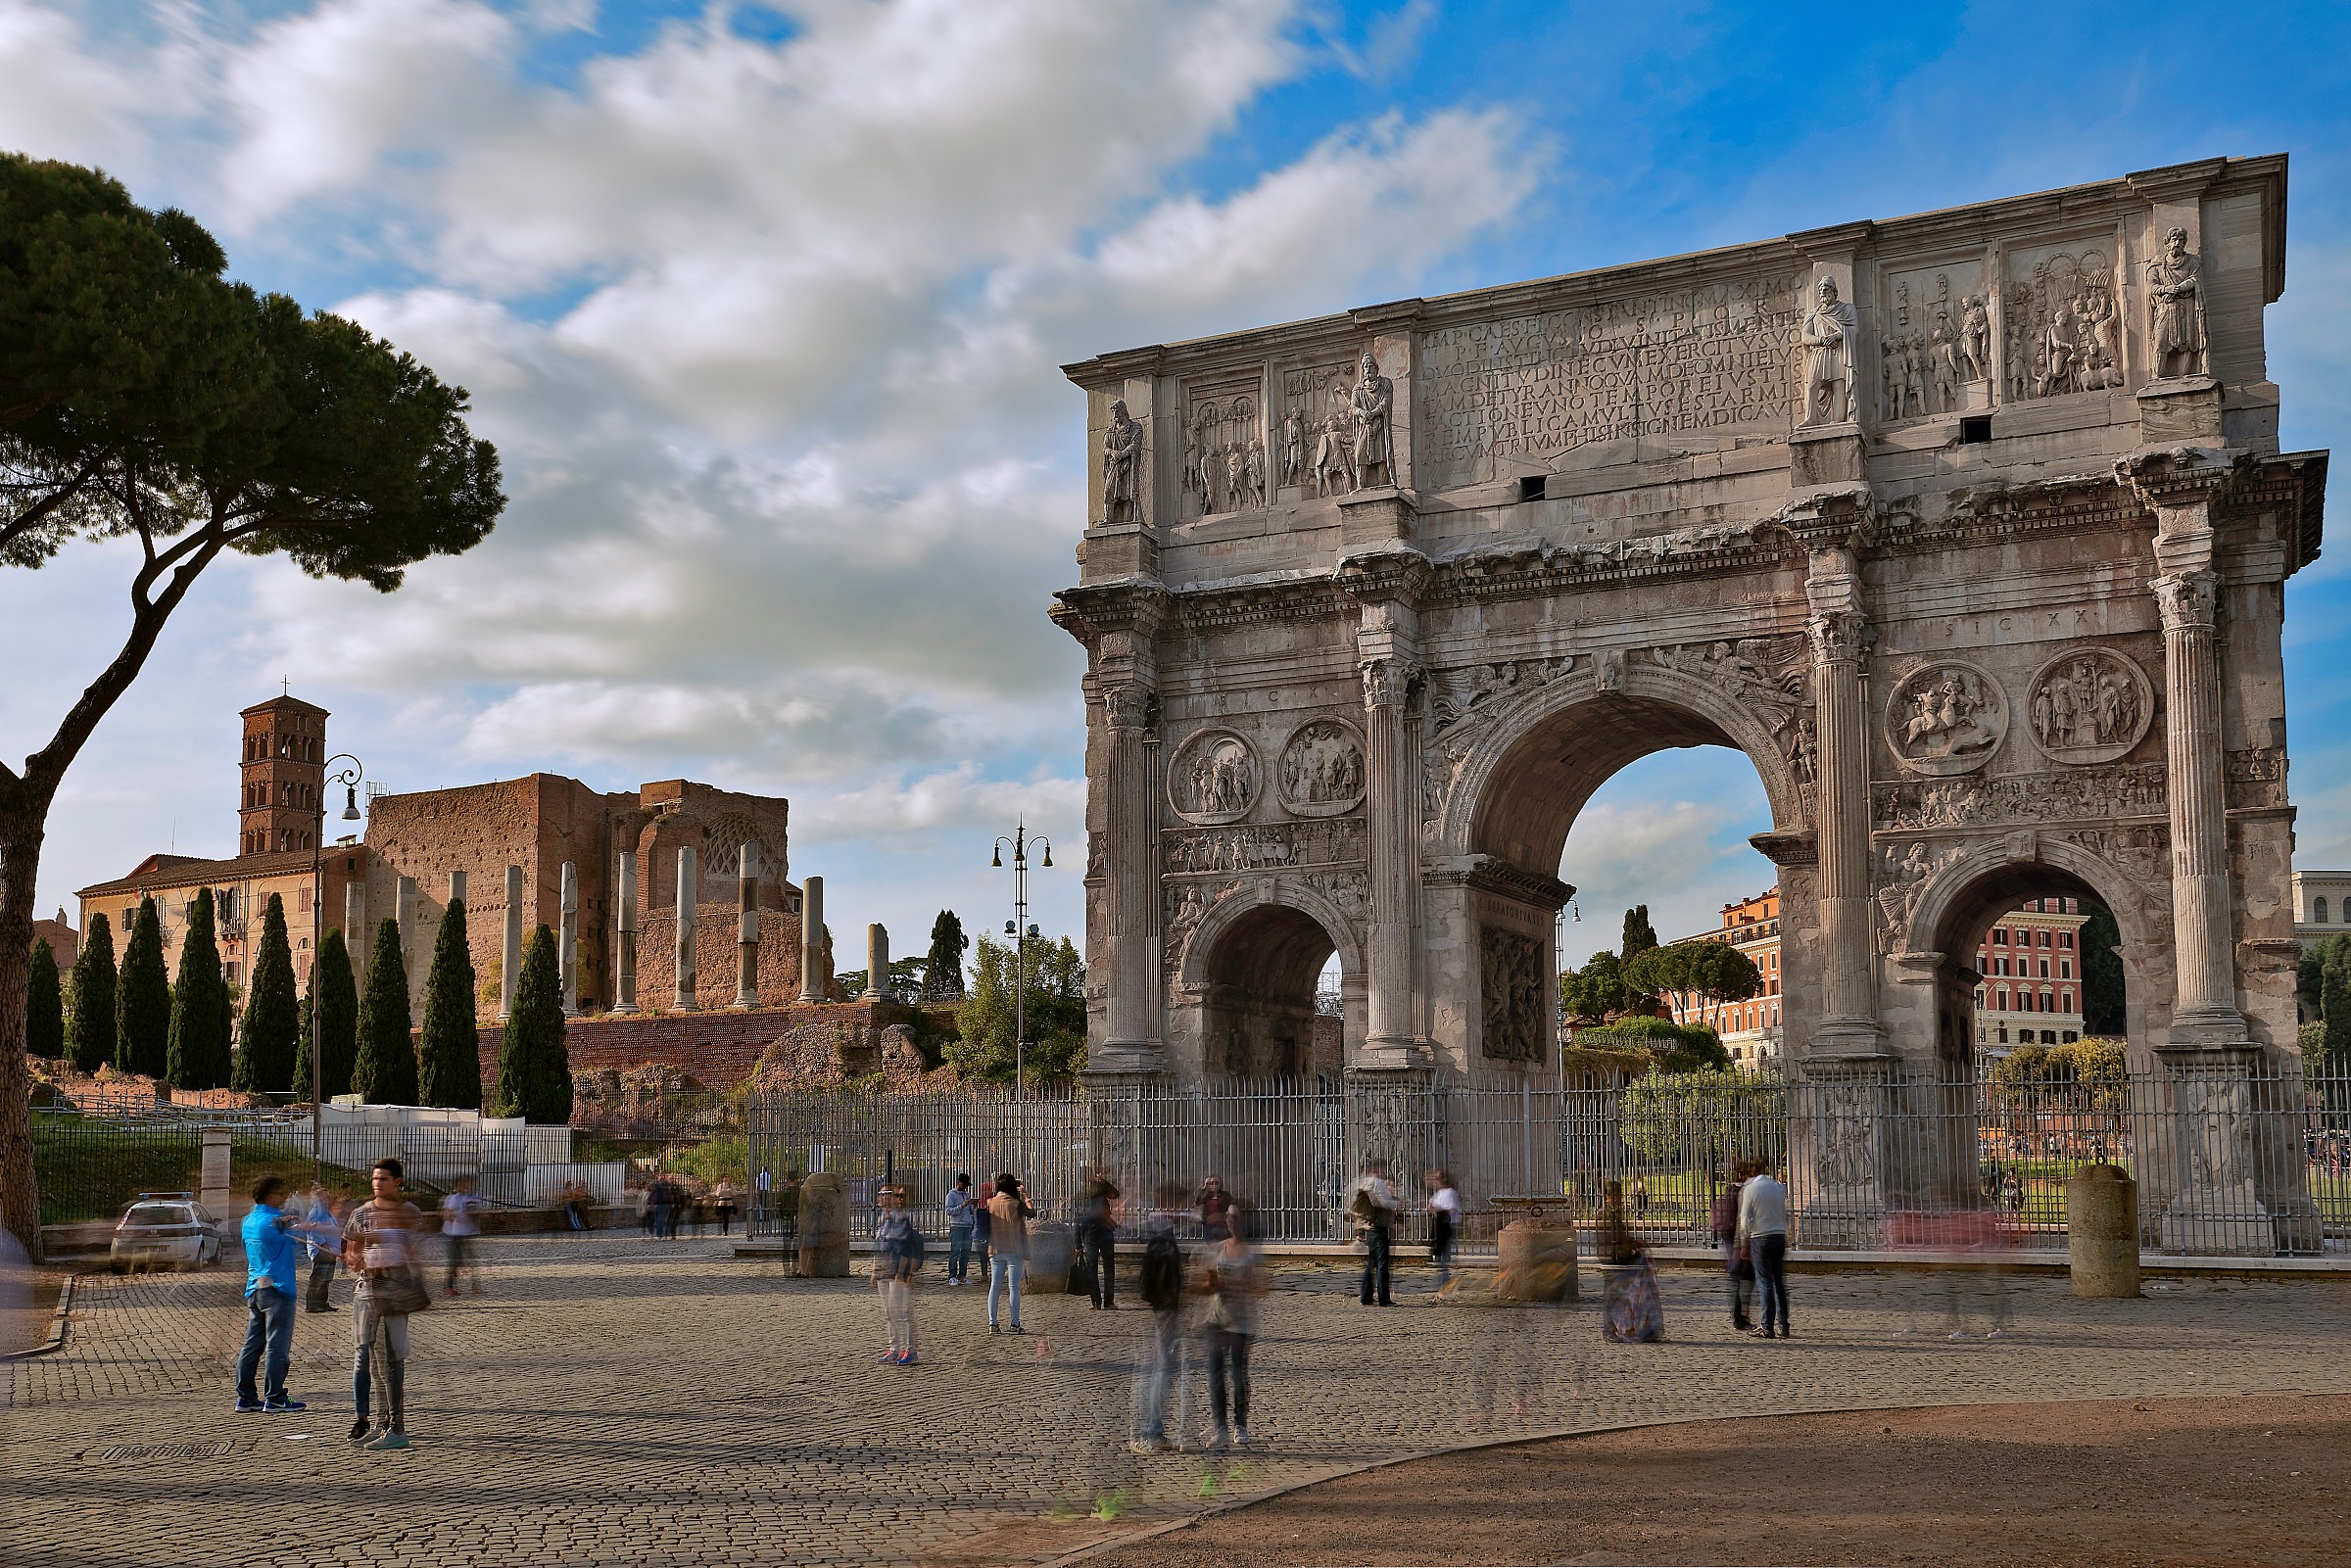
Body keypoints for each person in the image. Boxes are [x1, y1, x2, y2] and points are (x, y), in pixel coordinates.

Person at [345, 1158, 427, 1449]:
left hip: (395, 1288)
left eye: (383, 1179)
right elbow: (351, 1252)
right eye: (374, 1178)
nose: (377, 1183)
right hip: (366, 1288)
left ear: (397, 1182)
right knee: (366, 1359)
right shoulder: (361, 1213)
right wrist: (355, 1259)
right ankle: (376, 1423)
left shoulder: (410, 1214)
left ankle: (397, 1427)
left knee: (393, 1360)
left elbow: (413, 1251)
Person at [236, 1175, 318, 1412]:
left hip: (255, 1287)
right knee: (277, 1345)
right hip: (279, 1289)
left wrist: (286, 1221)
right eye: (281, 1194)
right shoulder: (274, 1221)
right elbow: (297, 1235)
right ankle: (275, 1397)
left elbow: (273, 1229)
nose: (284, 1199)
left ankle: (246, 1397)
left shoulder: (249, 1220)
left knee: (252, 1344)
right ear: (272, 1196)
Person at [1199, 1207, 1266, 1449]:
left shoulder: (1251, 1253)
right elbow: (1202, 1284)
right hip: (1217, 1318)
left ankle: (1240, 1424)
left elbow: (1262, 1287)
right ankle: (1220, 1427)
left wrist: (1243, 1283)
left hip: (1240, 1321)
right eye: (1228, 1217)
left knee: (1238, 1374)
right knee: (1216, 1375)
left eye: (1236, 1218)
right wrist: (1210, 1283)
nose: (1231, 1221)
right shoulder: (1219, 1248)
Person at [1130, 1182, 1188, 1453]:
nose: (1184, 1211)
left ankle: (1154, 1429)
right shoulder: (1161, 1238)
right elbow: (1154, 1281)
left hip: (1165, 1309)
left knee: (1162, 1371)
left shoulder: (1163, 1233)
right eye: (1179, 1205)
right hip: (1165, 1311)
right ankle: (1150, 1431)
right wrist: (1166, 1311)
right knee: (1161, 1372)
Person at [1599, 1179, 1664, 1343]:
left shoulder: (1615, 1212)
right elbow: (1611, 1240)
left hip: (1619, 1257)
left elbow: (1620, 1238)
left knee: (1626, 1295)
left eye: (1620, 1195)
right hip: (1611, 1259)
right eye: (1616, 1195)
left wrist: (1634, 1243)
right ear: (1607, 1197)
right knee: (1611, 1297)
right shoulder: (1605, 1214)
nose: (1619, 1198)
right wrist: (1630, 1246)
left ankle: (1635, 1327)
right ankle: (1608, 1330)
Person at [1738, 1162, 1791, 1340]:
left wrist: (1744, 1242)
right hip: (1779, 1236)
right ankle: (1783, 1324)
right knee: (1779, 1282)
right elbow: (1784, 1213)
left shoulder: (1751, 1189)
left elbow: (1744, 1219)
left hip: (1760, 1237)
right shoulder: (1777, 1188)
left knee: (1765, 1282)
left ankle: (1767, 1326)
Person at [872, 1186, 922, 1365]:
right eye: (880, 1194)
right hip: (884, 1270)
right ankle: (894, 1348)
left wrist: (903, 1272)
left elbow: (905, 1248)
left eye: (886, 1195)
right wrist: (874, 1270)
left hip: (897, 1271)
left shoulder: (901, 1219)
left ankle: (910, 1349)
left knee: (902, 1312)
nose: (881, 1197)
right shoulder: (882, 1219)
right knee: (888, 1313)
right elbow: (879, 1245)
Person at [1347, 1158, 1398, 1307]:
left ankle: (1366, 1296)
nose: (1384, 1173)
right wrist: (1397, 1203)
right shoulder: (1375, 1183)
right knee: (1382, 1264)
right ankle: (1383, 1298)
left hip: (1371, 1228)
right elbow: (1380, 1203)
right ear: (1376, 1170)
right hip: (1378, 1228)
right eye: (1382, 1170)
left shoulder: (1365, 1183)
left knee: (1371, 1264)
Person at [985, 1172, 1032, 1335]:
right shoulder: (1016, 1203)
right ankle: (1014, 1324)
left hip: (995, 1249)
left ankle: (993, 1323)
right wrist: (1026, 1196)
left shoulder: (991, 1202)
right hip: (1014, 1249)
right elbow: (1032, 1214)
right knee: (1014, 1288)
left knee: (995, 1286)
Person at [1712, 1164, 1755, 1332]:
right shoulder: (1745, 1192)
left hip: (1727, 1235)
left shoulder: (1729, 1190)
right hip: (1739, 1237)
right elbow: (1743, 1220)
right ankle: (1740, 1317)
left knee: (1736, 1276)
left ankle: (1738, 1314)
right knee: (1745, 1277)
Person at [1080, 1168, 1121, 1310]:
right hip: (1104, 1231)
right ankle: (1108, 1302)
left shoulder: (1083, 1191)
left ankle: (1096, 1302)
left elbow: (1080, 1217)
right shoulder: (1101, 1186)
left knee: (1092, 1268)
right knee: (1109, 1267)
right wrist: (1104, 1182)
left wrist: (1078, 1242)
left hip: (1090, 1233)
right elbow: (1115, 1194)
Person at [441, 1175, 484, 1299]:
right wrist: (459, 1214)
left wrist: (474, 1212)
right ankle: (449, 1287)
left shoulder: (473, 1196)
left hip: (468, 1233)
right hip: (455, 1234)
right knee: (454, 1261)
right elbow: (448, 1214)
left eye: (470, 1184)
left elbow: (476, 1213)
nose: (467, 1186)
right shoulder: (455, 1198)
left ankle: (475, 1286)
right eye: (465, 1184)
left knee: (471, 1260)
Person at [302, 1184, 343, 1314]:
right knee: (318, 1278)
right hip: (322, 1250)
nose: (326, 1201)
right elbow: (314, 1232)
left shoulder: (327, 1213)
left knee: (326, 1278)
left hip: (331, 1251)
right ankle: (312, 1304)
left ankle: (323, 1303)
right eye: (323, 1199)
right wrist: (325, 1247)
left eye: (327, 1198)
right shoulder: (316, 1213)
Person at [1424, 1169, 1461, 1291]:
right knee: (1441, 1255)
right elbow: (1430, 1207)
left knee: (1446, 1255)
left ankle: (1447, 1279)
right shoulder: (1439, 1193)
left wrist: (1437, 1208)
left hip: (1447, 1225)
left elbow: (1451, 1210)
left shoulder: (1450, 1192)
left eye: (1437, 1178)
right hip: (1439, 1225)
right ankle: (1445, 1278)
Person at [944, 1173, 977, 1287]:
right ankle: (952, 1276)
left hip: (967, 1225)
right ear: (959, 1183)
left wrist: (972, 1206)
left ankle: (962, 1275)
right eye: (965, 1184)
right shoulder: (951, 1195)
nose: (966, 1187)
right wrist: (961, 1206)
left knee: (966, 1253)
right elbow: (948, 1211)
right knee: (955, 1252)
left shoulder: (967, 1194)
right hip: (957, 1226)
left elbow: (969, 1211)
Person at [1197, 1174, 1233, 1247]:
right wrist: (1204, 1188)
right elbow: (1197, 1205)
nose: (1213, 1185)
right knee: (1211, 1245)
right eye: (1209, 1183)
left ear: (1220, 1184)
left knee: (1223, 1244)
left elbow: (1231, 1207)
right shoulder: (1203, 1196)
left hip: (1222, 1224)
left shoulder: (1225, 1195)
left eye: (1216, 1183)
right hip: (1208, 1225)